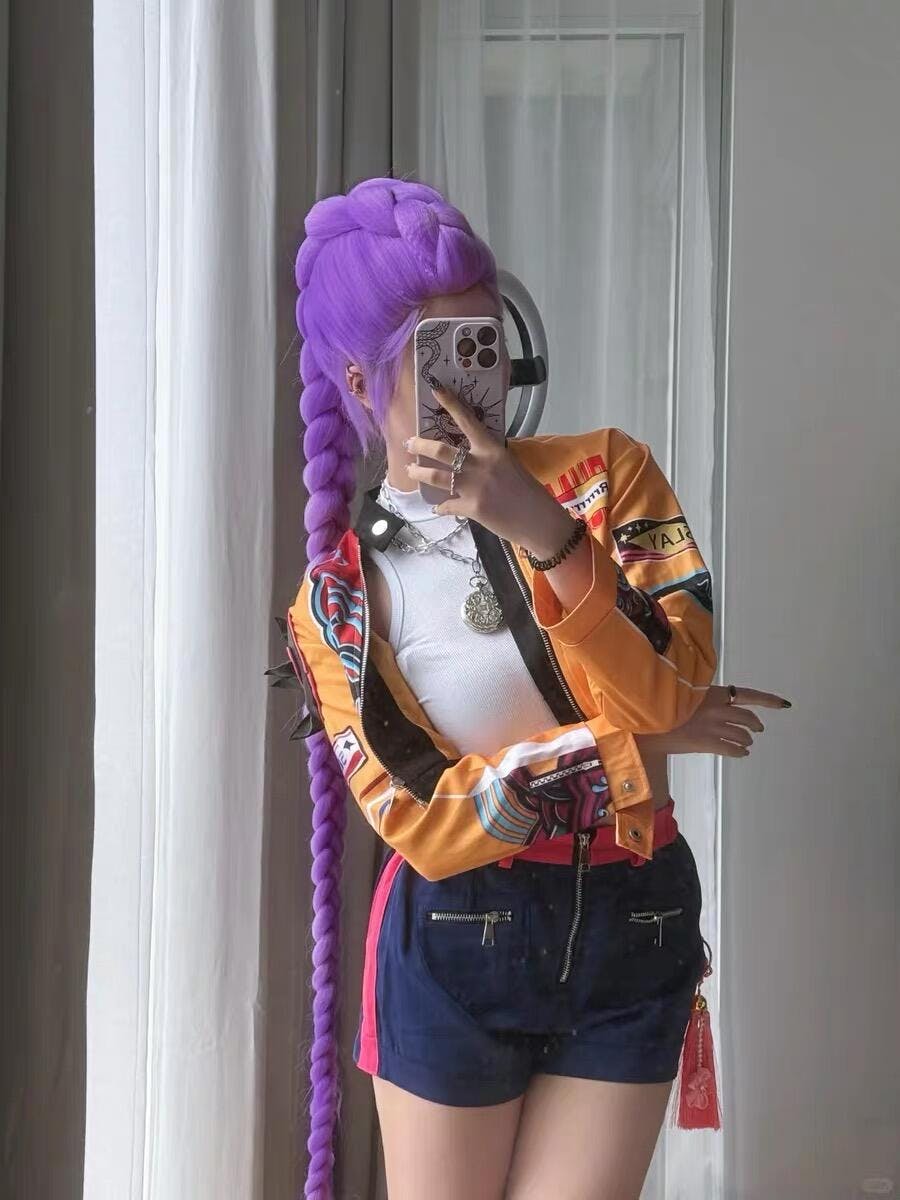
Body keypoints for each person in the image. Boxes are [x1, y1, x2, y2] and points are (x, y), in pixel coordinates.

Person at [270, 176, 791, 1200]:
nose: (477, 379)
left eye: (486, 341)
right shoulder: (339, 597)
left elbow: (673, 678)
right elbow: (427, 819)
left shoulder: (608, 477)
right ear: (361, 381)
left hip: (635, 919)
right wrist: (639, 746)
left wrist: (541, 528)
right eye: (440, 353)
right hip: (457, 938)